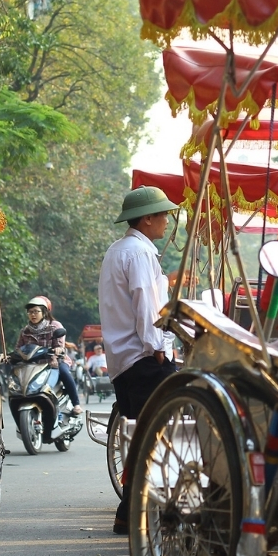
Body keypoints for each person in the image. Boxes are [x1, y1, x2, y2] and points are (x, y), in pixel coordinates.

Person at [99, 186, 180, 534]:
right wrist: (157, 347)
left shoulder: (119, 250)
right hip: (144, 356)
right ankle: (140, 508)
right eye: (162, 215)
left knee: (143, 433)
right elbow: (146, 306)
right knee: (165, 432)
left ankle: (130, 509)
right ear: (147, 219)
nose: (166, 221)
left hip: (125, 359)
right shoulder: (138, 254)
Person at [16, 295, 81, 415]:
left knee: (64, 372)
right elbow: (19, 348)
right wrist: (13, 356)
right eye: (30, 312)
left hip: (55, 362)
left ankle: (76, 403)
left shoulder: (55, 326)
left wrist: (57, 350)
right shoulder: (25, 331)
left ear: (44, 312)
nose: (32, 315)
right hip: (34, 366)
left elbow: (60, 345)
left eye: (36, 311)